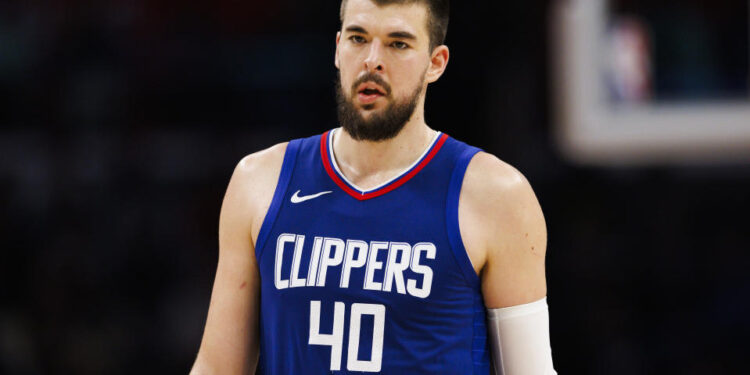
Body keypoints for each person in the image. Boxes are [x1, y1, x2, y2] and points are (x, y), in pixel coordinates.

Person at [190, 0, 556, 374]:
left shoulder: (497, 196)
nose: (372, 60)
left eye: (398, 43)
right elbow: (217, 367)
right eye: (358, 38)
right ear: (337, 48)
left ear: (436, 62)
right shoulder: (259, 181)